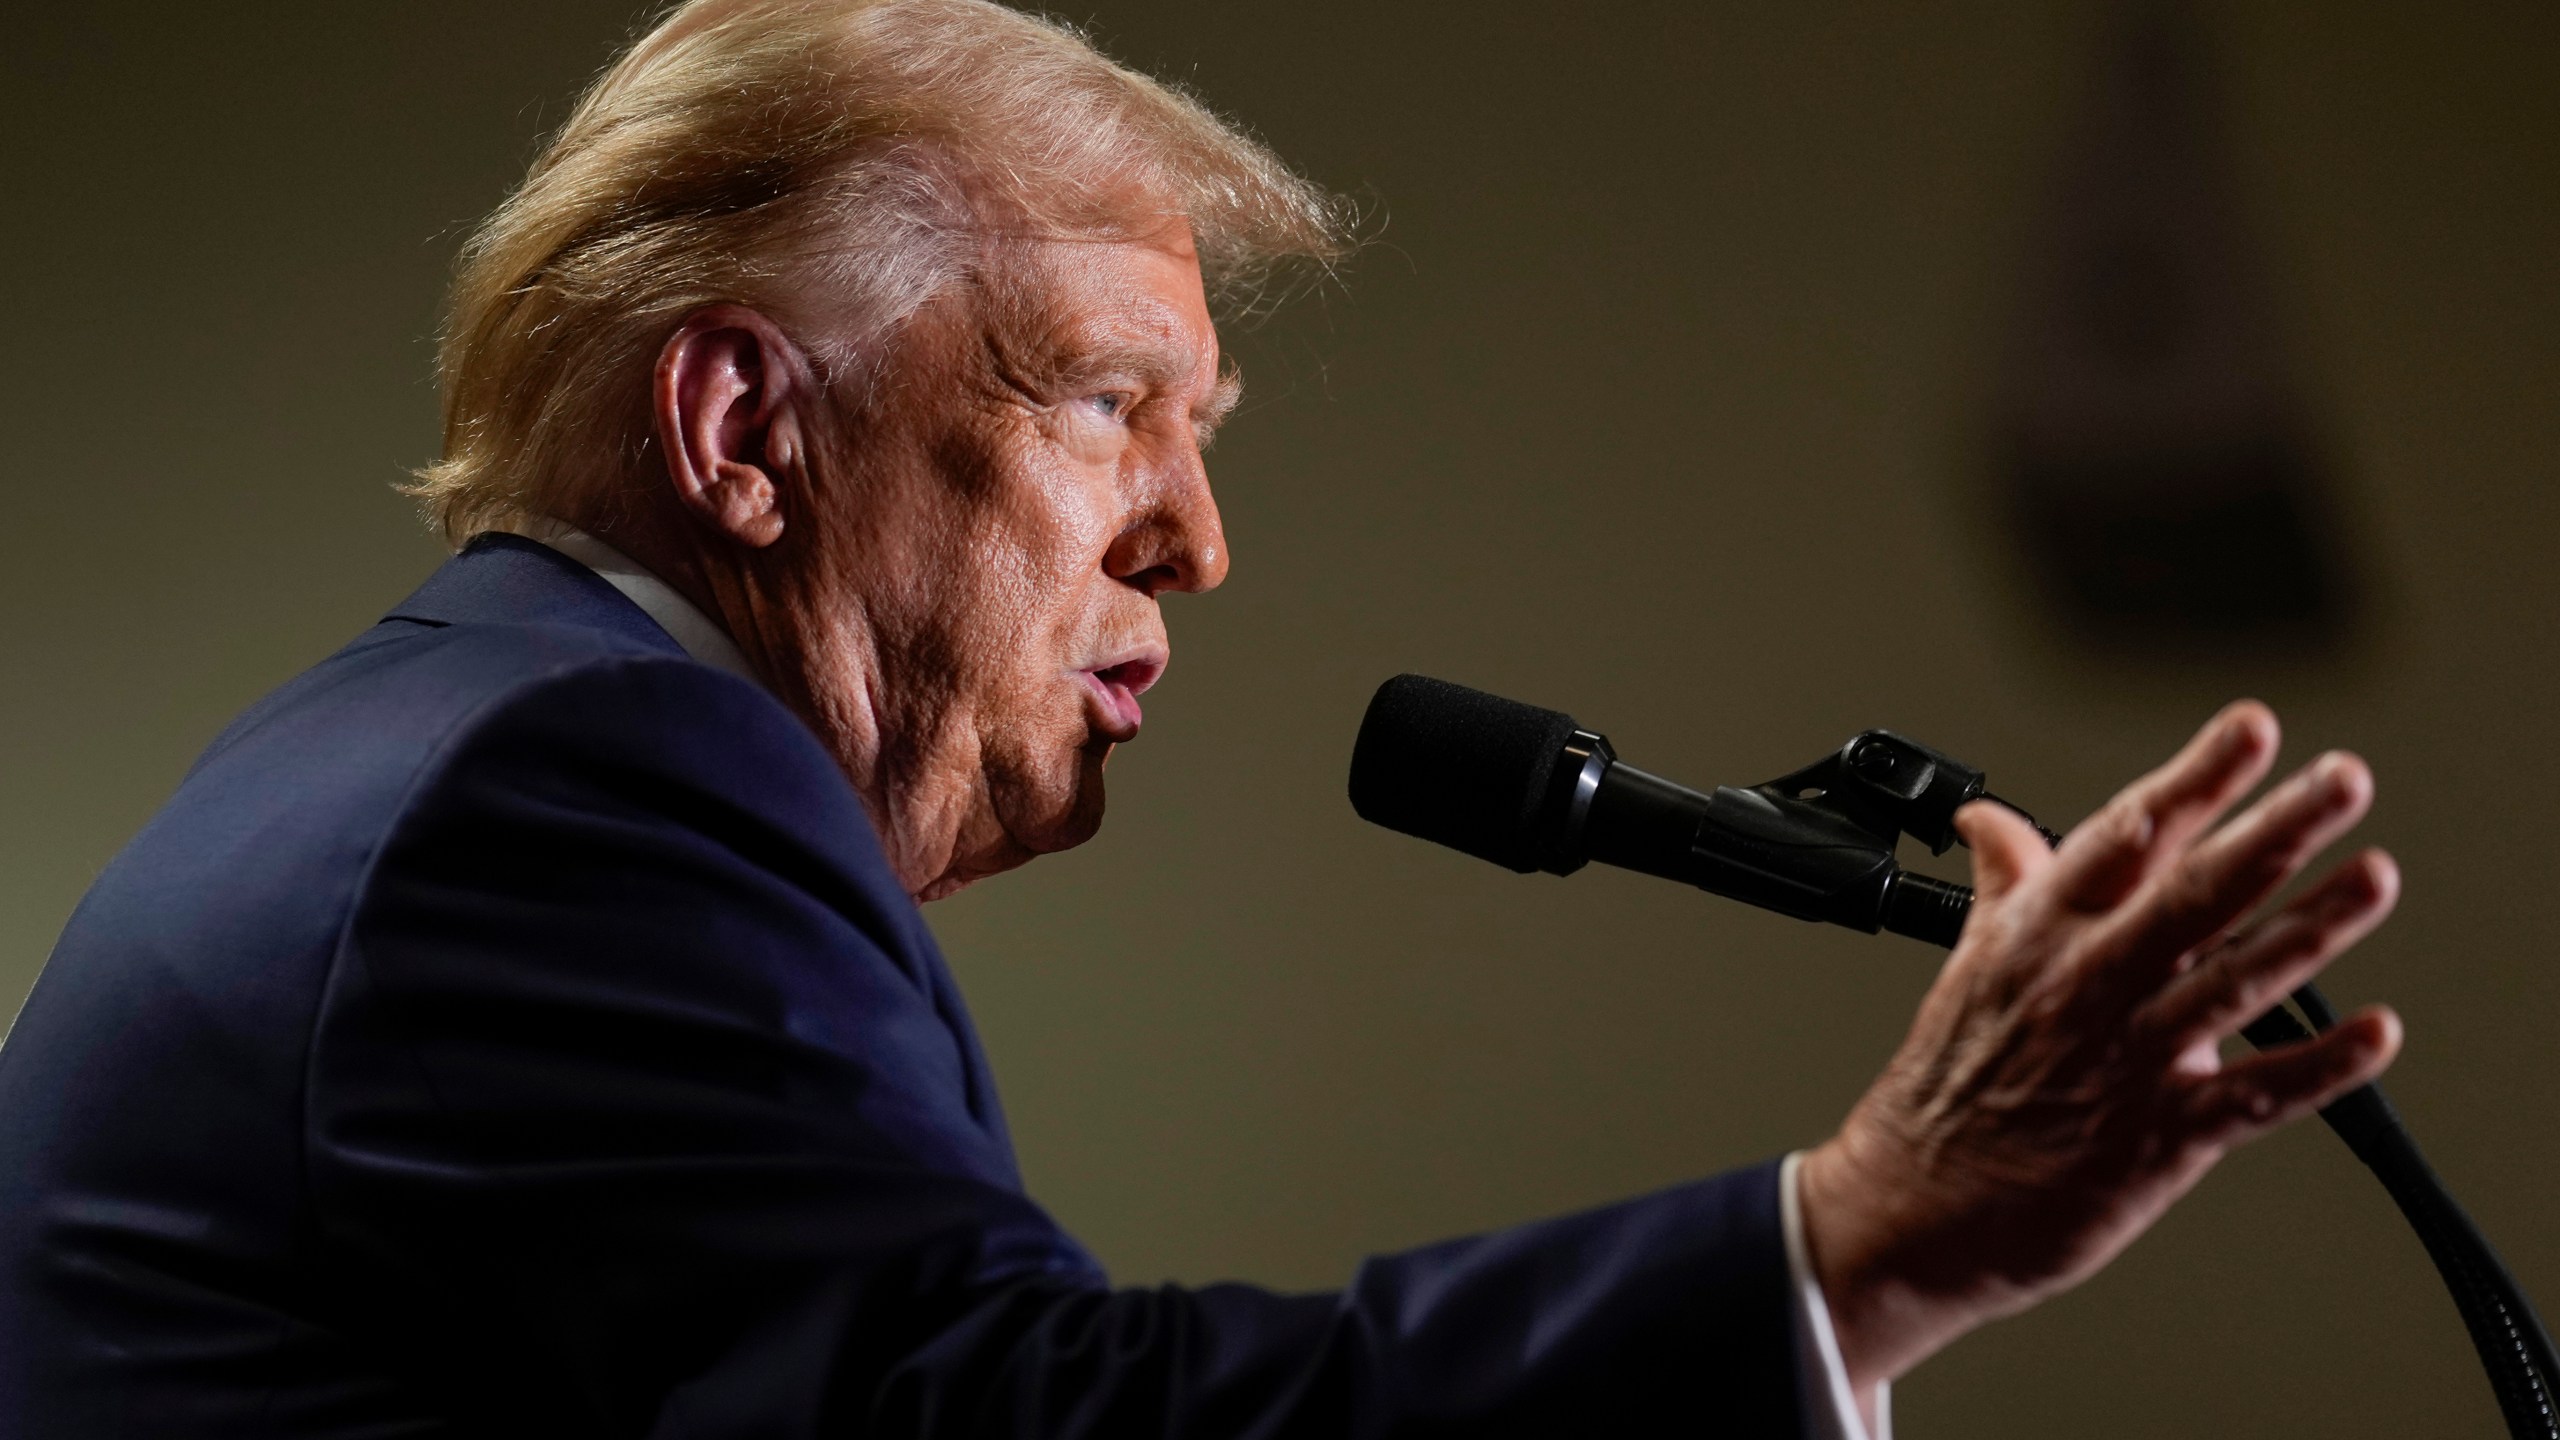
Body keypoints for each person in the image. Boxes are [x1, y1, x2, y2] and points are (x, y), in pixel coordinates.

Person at [0, 1, 2404, 1435]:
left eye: (1206, 433)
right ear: (743, 432)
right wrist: (1857, 1241)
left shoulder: (450, 761)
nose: (1194, 539)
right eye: (1108, 406)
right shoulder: (576, 787)